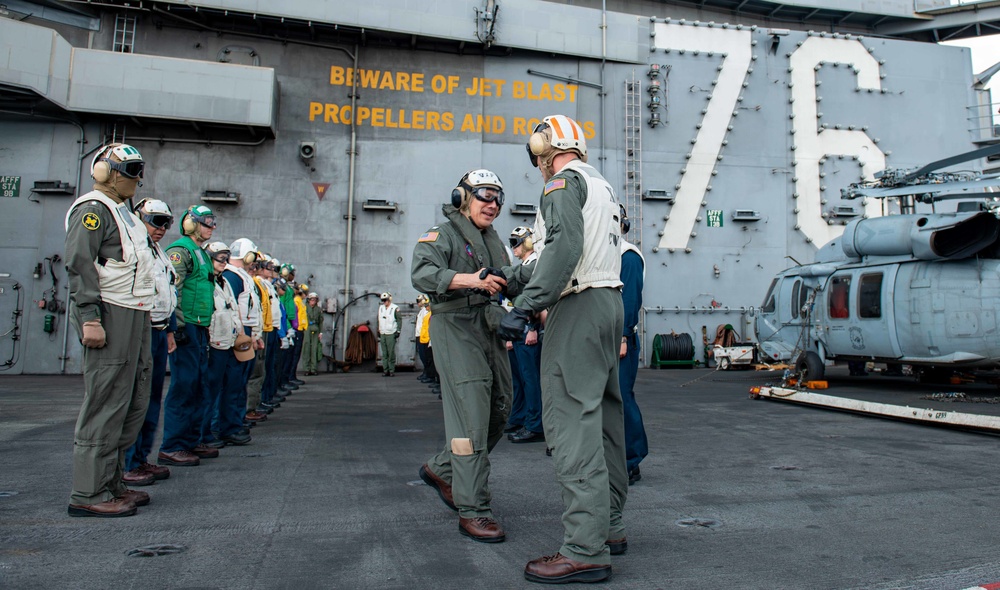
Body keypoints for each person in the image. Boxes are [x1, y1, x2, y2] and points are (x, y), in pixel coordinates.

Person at [498, 115, 627, 583]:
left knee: (572, 421)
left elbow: (563, 249)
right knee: (604, 420)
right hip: (608, 301)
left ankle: (584, 547)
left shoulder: (560, 185)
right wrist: (509, 277)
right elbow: (573, 252)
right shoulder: (602, 186)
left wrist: (524, 306)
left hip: (577, 307)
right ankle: (609, 525)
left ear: (545, 149)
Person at [411, 168, 515, 543]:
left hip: (488, 325)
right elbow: (422, 273)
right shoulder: (442, 235)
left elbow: (508, 277)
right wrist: (472, 279)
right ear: (462, 197)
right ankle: (474, 508)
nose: (493, 204)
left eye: (498, 198)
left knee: (502, 406)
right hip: (455, 326)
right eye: (485, 195)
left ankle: (442, 468)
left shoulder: (493, 239)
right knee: (471, 418)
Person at [65, 142, 154, 517]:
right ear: (105, 172)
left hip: (135, 312)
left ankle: (112, 483)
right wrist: (89, 316)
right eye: (130, 170)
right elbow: (79, 264)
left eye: (139, 170)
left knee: (131, 402)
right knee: (105, 403)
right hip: (110, 312)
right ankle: (89, 493)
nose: (137, 178)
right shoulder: (92, 210)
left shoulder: (126, 213)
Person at [157, 204, 218, 468]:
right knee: (184, 386)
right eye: (205, 222)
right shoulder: (181, 252)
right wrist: (177, 327)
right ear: (190, 224)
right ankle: (173, 445)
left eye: (213, 223)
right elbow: (173, 292)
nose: (211, 227)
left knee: (198, 385)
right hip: (187, 328)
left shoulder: (201, 254)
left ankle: (191, 440)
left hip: (200, 327)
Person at [122, 199, 177, 487]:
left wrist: (170, 330)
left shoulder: (158, 252)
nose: (162, 228)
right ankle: (128, 463)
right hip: (139, 330)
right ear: (138, 217)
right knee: (136, 400)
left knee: (152, 400)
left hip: (158, 330)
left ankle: (141, 457)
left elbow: (167, 294)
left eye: (166, 223)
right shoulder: (133, 247)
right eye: (156, 221)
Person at [202, 241, 252, 448]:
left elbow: (234, 310)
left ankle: (228, 428)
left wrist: (241, 334)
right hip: (214, 343)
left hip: (230, 341)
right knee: (211, 389)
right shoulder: (205, 282)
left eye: (225, 257)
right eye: (219, 258)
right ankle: (208, 431)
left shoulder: (224, 282)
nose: (223, 262)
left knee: (232, 385)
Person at [618, 206, 648, 484]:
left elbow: (629, 301)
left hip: (620, 340)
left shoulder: (627, 256)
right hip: (602, 337)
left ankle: (631, 460)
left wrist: (623, 336)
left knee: (621, 398)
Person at [505, 227, 545, 445]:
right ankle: (521, 417)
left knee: (531, 380)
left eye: (517, 242)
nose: (514, 247)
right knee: (520, 379)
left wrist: (531, 327)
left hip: (528, 329)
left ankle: (534, 424)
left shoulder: (535, 264)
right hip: (519, 329)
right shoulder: (525, 266)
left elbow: (536, 298)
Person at [377, 292, 401, 376]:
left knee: (391, 353)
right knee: (384, 353)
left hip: (391, 332)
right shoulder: (381, 308)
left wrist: (398, 331)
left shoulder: (395, 308)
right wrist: (378, 330)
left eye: (385, 300)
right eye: (383, 300)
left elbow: (399, 320)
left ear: (389, 300)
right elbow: (379, 319)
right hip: (383, 332)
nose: (384, 302)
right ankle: (385, 370)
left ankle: (391, 370)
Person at [303, 292, 324, 375]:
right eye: (311, 299)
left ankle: (313, 369)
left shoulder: (318, 309)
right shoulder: (304, 308)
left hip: (316, 328)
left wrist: (321, 332)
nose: (313, 301)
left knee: (314, 349)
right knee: (306, 348)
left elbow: (321, 321)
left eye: (314, 300)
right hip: (306, 328)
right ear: (308, 300)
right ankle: (306, 369)